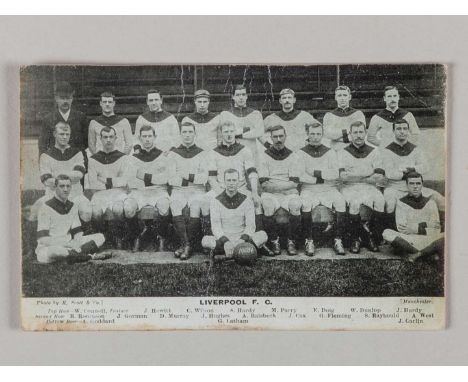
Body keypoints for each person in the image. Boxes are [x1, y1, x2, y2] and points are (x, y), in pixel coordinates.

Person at [381, 119, 445, 229]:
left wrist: (409, 169)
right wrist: (413, 172)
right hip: (395, 188)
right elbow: (390, 173)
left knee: (440, 200)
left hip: (415, 186)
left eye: (405, 129)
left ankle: (444, 228)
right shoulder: (387, 151)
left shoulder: (416, 149)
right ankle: (391, 232)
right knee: (390, 204)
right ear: (393, 131)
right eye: (399, 129)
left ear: (408, 131)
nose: (402, 131)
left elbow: (425, 167)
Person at [297, 122, 346, 256]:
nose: (316, 137)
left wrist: (314, 172)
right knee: (305, 203)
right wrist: (322, 176)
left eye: (318, 134)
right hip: (309, 188)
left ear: (322, 135)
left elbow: (335, 174)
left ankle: (338, 239)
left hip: (328, 188)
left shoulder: (330, 152)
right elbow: (301, 175)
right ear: (307, 134)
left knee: (340, 201)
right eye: (312, 134)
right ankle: (309, 240)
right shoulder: (301, 152)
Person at [35, 175, 108, 264]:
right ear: (55, 188)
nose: (65, 189)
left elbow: (77, 232)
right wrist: (67, 245)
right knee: (57, 251)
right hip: (50, 247)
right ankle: (88, 256)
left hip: (70, 244)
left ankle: (71, 257)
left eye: (68, 186)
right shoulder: (45, 207)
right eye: (62, 186)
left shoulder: (72, 206)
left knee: (100, 237)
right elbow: (43, 239)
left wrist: (76, 243)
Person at [338, 121, 386, 253]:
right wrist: (368, 173)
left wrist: (354, 174)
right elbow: (344, 177)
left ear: (365, 133)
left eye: (361, 132)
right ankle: (356, 238)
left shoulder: (374, 151)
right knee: (354, 203)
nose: (358, 135)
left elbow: (379, 177)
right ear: (350, 134)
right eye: (355, 132)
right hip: (349, 187)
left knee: (381, 201)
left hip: (369, 186)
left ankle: (371, 237)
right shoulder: (342, 152)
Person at [30, 122, 92, 223]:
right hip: (53, 195)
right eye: (61, 134)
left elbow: (78, 175)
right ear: (55, 134)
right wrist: (68, 177)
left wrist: (56, 176)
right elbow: (46, 180)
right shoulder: (46, 155)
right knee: (34, 211)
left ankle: (81, 235)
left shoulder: (77, 153)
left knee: (87, 212)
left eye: (67, 134)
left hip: (75, 194)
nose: (64, 137)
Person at [202, 168, 269, 259]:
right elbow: (216, 227)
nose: (231, 183)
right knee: (205, 241)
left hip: (242, 239)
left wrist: (241, 240)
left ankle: (226, 255)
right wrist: (226, 242)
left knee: (262, 235)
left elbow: (250, 226)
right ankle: (242, 252)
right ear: (224, 181)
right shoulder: (215, 201)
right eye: (228, 180)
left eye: (234, 180)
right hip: (224, 239)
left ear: (238, 181)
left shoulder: (247, 200)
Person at [167, 121, 209, 260]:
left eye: (190, 132)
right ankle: (187, 244)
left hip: (197, 190)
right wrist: (192, 178)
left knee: (196, 206)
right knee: (175, 205)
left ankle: (186, 245)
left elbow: (203, 178)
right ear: (180, 134)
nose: (187, 135)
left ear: (195, 134)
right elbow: (171, 179)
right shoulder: (173, 154)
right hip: (179, 190)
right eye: (184, 132)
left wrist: (185, 175)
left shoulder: (202, 153)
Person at [125, 125, 171, 252]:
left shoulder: (162, 156)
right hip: (138, 192)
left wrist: (142, 175)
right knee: (128, 208)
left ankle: (161, 236)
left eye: (149, 136)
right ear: (139, 138)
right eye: (144, 136)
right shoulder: (133, 158)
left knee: (165, 206)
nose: (147, 139)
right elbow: (131, 181)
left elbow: (165, 179)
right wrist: (154, 177)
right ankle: (137, 236)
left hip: (159, 191)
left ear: (155, 137)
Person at [259, 125, 302, 256]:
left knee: (295, 205)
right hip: (272, 194)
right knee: (267, 205)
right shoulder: (264, 155)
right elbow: (264, 185)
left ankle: (291, 241)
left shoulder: (293, 155)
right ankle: (274, 240)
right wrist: (286, 186)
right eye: (275, 137)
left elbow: (295, 182)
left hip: (288, 194)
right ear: (271, 138)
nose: (278, 139)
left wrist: (278, 186)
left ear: (285, 137)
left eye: (281, 136)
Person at [383, 172, 444, 262]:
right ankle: (428, 254)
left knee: (447, 235)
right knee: (387, 233)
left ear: (422, 185)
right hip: (409, 240)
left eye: (418, 183)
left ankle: (416, 255)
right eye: (412, 183)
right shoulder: (401, 203)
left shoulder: (431, 203)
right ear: (407, 185)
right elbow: (401, 228)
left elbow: (437, 228)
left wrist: (415, 228)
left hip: (428, 239)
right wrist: (427, 225)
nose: (415, 186)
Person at [87, 126, 132, 249]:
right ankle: (103, 237)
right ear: (100, 139)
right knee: (95, 213)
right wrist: (114, 181)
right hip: (99, 195)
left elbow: (124, 181)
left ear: (116, 138)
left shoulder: (123, 157)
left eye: (111, 137)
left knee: (118, 209)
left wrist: (104, 180)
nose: (108, 140)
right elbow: (93, 184)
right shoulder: (93, 159)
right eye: (105, 137)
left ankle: (119, 236)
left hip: (118, 193)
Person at [38, 81, 88, 156]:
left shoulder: (81, 118)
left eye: (68, 98)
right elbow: (43, 146)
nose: (65, 101)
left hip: (76, 162)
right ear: (56, 99)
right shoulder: (48, 119)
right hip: (55, 161)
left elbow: (86, 143)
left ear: (72, 99)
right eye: (62, 98)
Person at [219, 85, 264, 166]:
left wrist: (238, 134)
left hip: (251, 151)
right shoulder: (225, 114)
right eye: (238, 95)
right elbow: (226, 133)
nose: (241, 97)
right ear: (233, 97)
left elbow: (259, 132)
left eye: (243, 95)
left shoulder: (256, 114)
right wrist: (248, 129)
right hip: (233, 151)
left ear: (246, 96)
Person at [263, 88, 319, 152]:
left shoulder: (304, 116)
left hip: (299, 154)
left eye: (289, 97)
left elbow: (319, 127)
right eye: (284, 98)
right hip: (280, 154)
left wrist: (310, 140)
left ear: (294, 100)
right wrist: (267, 145)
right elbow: (259, 131)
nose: (287, 100)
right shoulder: (272, 118)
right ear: (280, 101)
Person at [323, 85, 366, 151]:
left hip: (354, 150)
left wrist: (337, 137)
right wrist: (348, 130)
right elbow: (329, 135)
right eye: (339, 95)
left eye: (345, 95)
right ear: (335, 97)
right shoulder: (329, 115)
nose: (342, 98)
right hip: (335, 150)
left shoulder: (358, 114)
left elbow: (359, 135)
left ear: (350, 97)